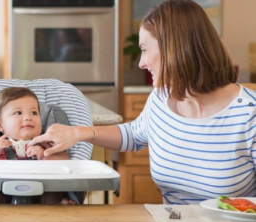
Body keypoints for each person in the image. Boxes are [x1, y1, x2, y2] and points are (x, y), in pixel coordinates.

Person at [28, 0, 256, 205]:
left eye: (145, 50)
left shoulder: (249, 115)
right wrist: (77, 133)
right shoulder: (161, 99)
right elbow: (134, 135)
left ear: (174, 48)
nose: (141, 63)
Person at [0, 87, 74, 205]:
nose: (28, 117)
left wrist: (44, 155)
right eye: (18, 113)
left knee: (52, 195)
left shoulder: (45, 142)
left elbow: (67, 162)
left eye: (34, 112)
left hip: (41, 191)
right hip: (1, 191)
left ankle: (59, 208)